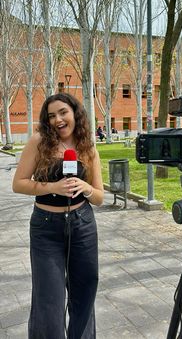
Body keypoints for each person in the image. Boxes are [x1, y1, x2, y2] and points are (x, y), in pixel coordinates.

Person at [12, 93, 104, 339]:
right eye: (51, 116)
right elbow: (18, 184)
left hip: (82, 224)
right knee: (49, 300)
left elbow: (99, 197)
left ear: (75, 113)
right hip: (46, 227)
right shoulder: (39, 141)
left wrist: (86, 188)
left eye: (63, 112)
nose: (58, 120)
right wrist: (52, 187)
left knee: (84, 295)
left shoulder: (88, 145)